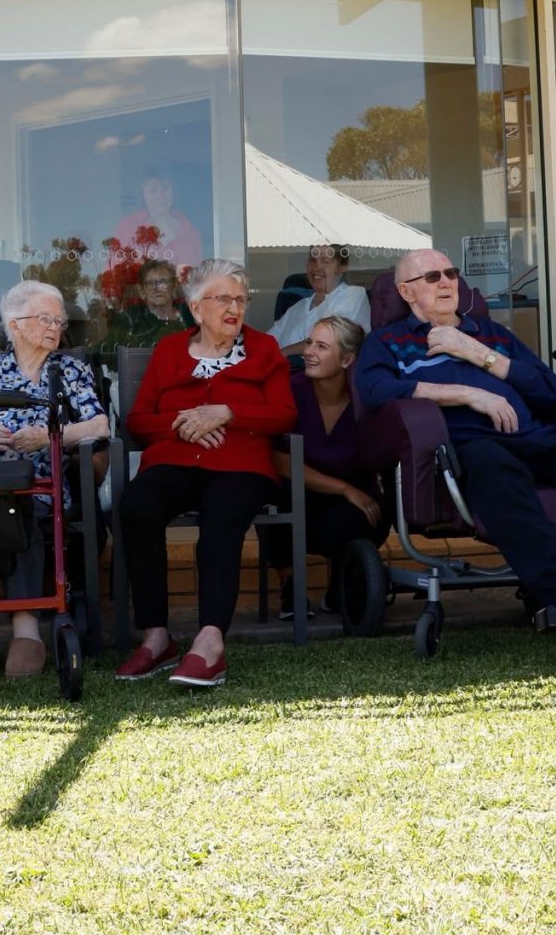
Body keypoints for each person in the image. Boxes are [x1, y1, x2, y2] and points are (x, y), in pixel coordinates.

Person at [357, 248, 556, 622]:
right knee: (493, 462)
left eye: (451, 273)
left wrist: (477, 353)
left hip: (533, 439)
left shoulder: (491, 335)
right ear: (406, 292)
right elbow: (375, 391)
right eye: (433, 277)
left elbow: (547, 389)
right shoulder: (388, 341)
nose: (446, 282)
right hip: (468, 449)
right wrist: (469, 394)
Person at [114, 258, 297, 689]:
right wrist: (186, 422)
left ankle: (210, 642)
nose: (234, 307)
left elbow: (285, 414)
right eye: (223, 299)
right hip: (177, 460)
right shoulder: (169, 350)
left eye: (240, 299)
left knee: (222, 518)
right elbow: (139, 420)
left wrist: (228, 413)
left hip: (241, 465)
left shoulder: (265, 349)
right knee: (138, 505)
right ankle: (156, 636)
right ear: (197, 308)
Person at [0, 280, 108, 679]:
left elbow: (99, 424)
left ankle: (26, 630)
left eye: (58, 320)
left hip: (40, 484)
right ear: (15, 325)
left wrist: (53, 437)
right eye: (44, 318)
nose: (55, 327)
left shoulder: (70, 371)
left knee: (22, 504)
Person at [270, 317, 389, 610]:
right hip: (299, 495)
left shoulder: (366, 398)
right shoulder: (290, 389)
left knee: (374, 512)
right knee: (271, 494)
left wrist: (352, 491)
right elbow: (280, 461)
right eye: (310, 343)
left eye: (322, 346)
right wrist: (344, 488)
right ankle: (291, 586)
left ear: (347, 359)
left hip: (348, 504)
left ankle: (344, 581)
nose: (309, 351)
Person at [270, 243, 370, 356]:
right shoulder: (297, 306)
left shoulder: (353, 295)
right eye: (312, 260)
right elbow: (268, 340)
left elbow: (329, 339)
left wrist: (283, 354)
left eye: (325, 261)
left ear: (342, 267)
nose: (317, 267)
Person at [111, 170, 204, 272]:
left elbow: (197, 277)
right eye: (153, 190)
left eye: (165, 188)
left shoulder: (189, 231)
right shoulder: (128, 227)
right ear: (143, 194)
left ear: (173, 191)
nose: (161, 196)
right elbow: (115, 271)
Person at [101, 260, 194, 354]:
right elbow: (107, 354)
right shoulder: (130, 320)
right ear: (142, 291)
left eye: (164, 282)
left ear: (174, 288)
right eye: (151, 283)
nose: (157, 288)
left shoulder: (189, 318)